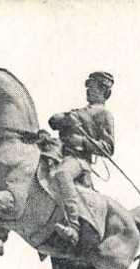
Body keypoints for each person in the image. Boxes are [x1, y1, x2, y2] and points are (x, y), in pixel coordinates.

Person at [46, 71, 115, 247]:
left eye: (92, 88)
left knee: (62, 174)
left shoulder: (104, 114)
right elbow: (54, 123)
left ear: (102, 90)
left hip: (78, 160)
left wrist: (82, 141)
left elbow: (108, 148)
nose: (88, 91)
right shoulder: (77, 112)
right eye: (88, 87)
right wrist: (59, 119)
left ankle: (73, 227)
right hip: (60, 152)